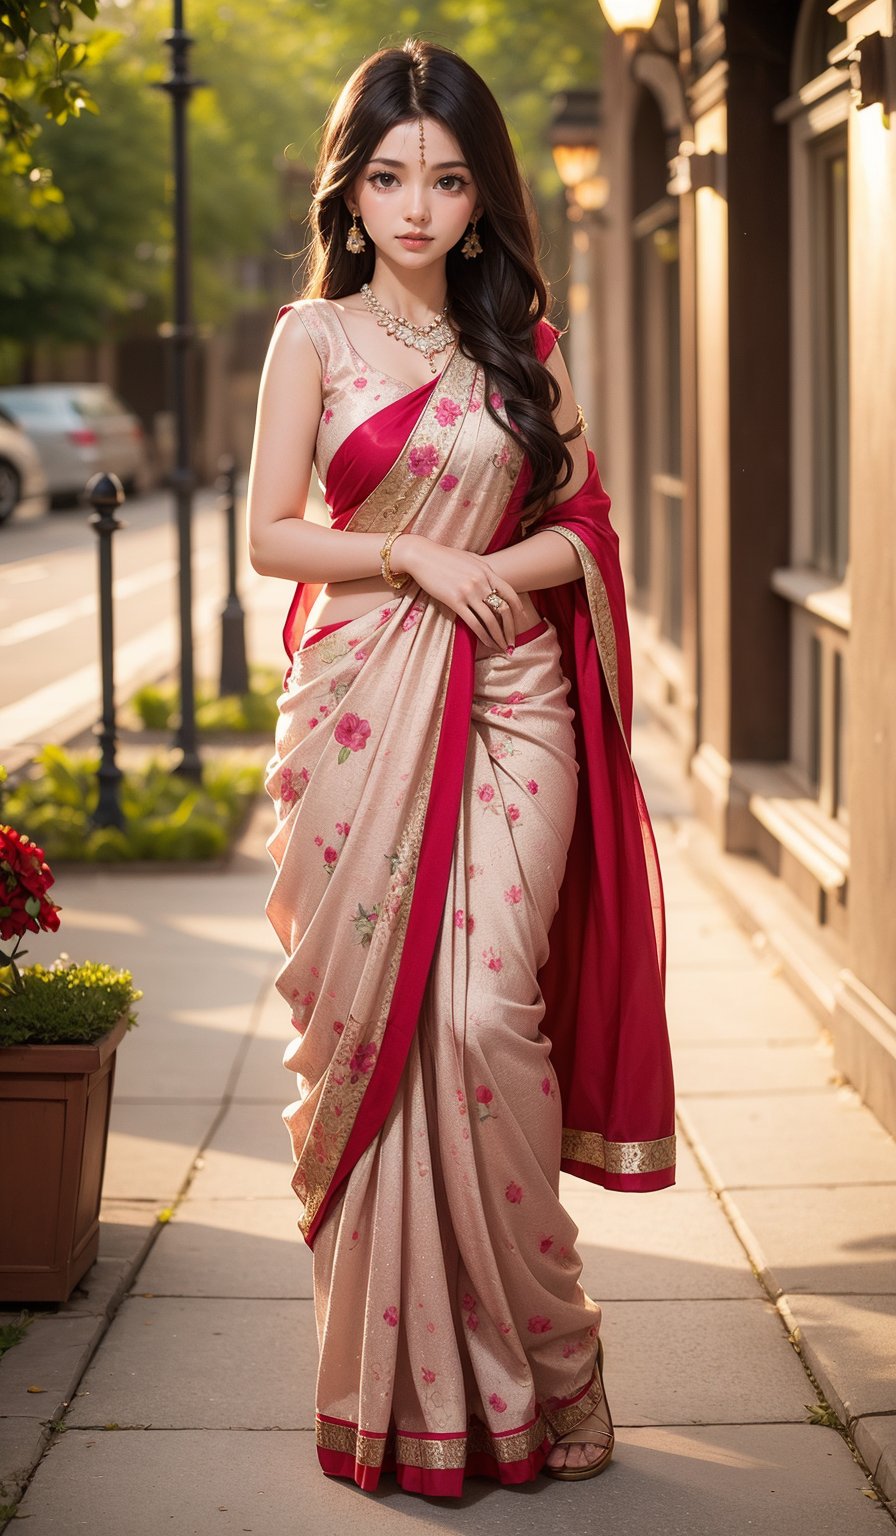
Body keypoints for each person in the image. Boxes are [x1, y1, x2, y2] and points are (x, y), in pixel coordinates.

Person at [246, 37, 675, 1499]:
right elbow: (272, 536)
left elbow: (592, 526)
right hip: (364, 701)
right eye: (387, 177)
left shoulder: (522, 346)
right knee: (390, 1030)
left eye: (443, 179)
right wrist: (418, 554)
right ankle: (423, 1399)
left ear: (483, 199)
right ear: (349, 193)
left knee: (489, 1014)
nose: (415, 207)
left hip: (514, 697)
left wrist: (505, 561)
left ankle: (557, 1363)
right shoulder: (311, 340)